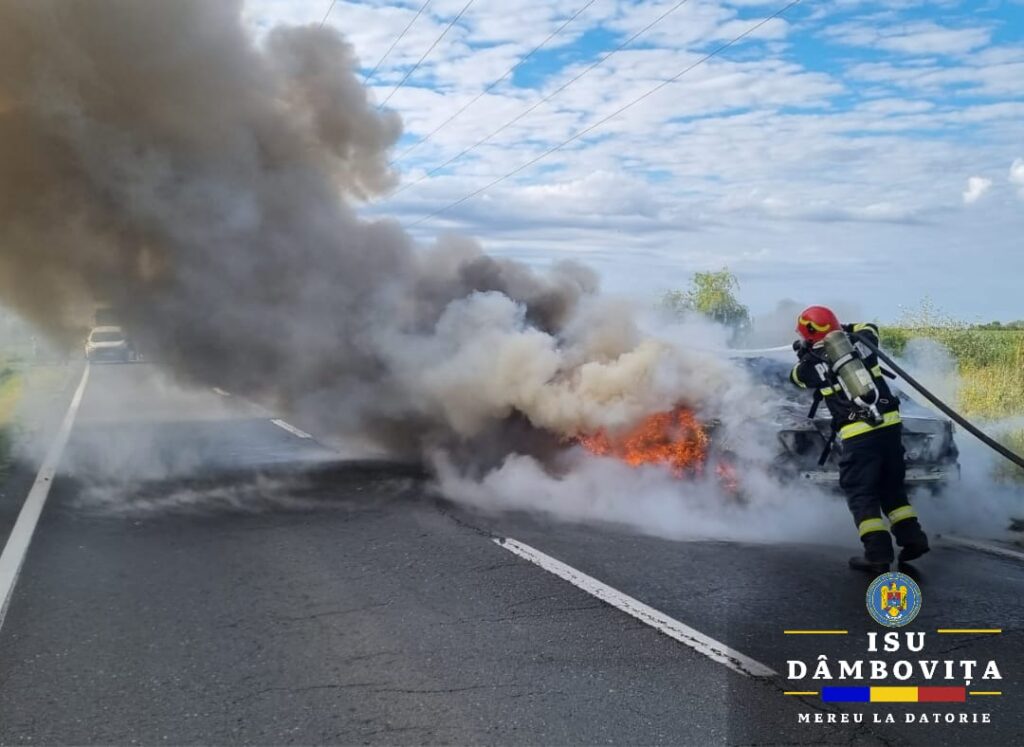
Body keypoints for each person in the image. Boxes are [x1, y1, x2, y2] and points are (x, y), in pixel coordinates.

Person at [790, 305, 929, 573]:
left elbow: (795, 378)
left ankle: (877, 555)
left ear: (808, 333)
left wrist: (805, 351)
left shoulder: (810, 365)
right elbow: (870, 328)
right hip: (890, 428)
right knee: (891, 487)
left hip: (858, 434)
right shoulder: (863, 344)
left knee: (861, 492)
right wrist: (843, 329)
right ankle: (914, 539)